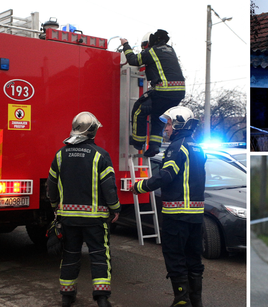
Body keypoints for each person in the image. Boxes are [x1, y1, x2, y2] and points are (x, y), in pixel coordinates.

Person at [130, 106, 206, 307]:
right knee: (193, 259)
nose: (166, 129)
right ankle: (196, 301)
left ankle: (182, 300)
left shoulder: (177, 147)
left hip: (177, 216)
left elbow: (166, 175)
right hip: (196, 216)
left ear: (180, 124)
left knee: (175, 257)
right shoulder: (197, 147)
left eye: (170, 124)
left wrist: (141, 186)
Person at [47, 112, 121, 307]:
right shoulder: (101, 156)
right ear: (94, 131)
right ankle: (102, 298)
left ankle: (67, 296)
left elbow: (51, 185)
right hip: (95, 220)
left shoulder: (60, 155)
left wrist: (55, 206)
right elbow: (109, 187)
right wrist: (116, 209)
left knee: (70, 254)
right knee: (99, 255)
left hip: (68, 219)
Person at [121, 29, 186, 157]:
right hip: (179, 93)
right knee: (158, 115)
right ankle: (155, 146)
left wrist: (125, 45)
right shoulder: (170, 50)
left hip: (163, 91)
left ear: (148, 43)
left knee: (139, 109)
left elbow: (133, 60)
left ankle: (138, 142)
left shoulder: (151, 51)